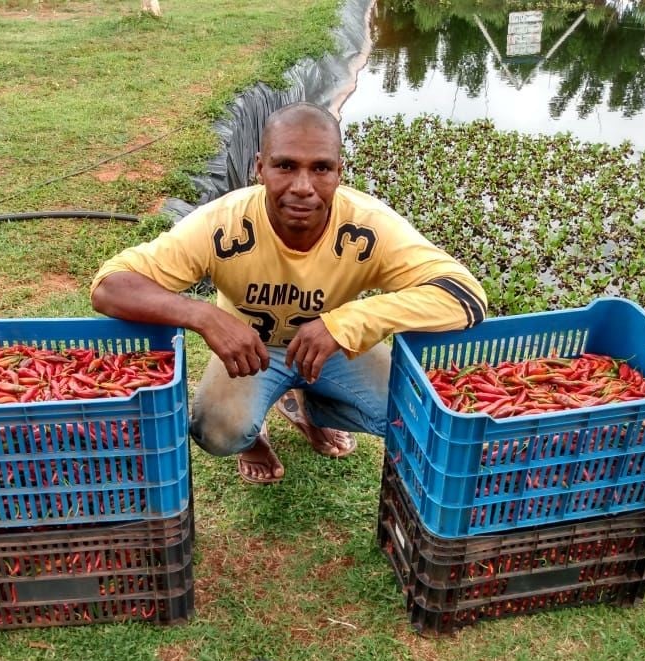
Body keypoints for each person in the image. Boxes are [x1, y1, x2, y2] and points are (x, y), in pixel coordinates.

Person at [90, 102, 487, 484]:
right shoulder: (223, 224)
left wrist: (347, 322)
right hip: (251, 354)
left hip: (332, 347)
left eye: (320, 169)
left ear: (338, 173)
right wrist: (205, 316)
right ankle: (254, 439)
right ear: (259, 167)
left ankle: (311, 410)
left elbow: (465, 296)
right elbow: (110, 285)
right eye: (285, 166)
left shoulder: (369, 228)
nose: (303, 187)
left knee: (413, 413)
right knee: (219, 431)